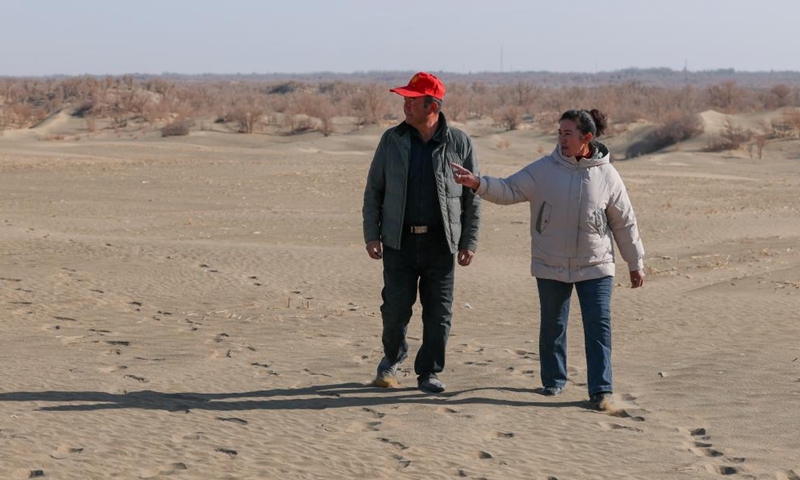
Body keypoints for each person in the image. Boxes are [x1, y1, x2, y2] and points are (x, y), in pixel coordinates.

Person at [450, 109, 644, 410]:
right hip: (550, 262)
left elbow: (624, 222)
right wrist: (478, 183)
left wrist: (635, 263)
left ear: (586, 138)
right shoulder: (544, 169)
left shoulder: (607, 174)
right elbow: (509, 189)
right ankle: (554, 380)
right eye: (559, 133)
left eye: (568, 134)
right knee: (553, 325)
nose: (561, 139)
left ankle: (601, 389)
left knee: (599, 326)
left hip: (596, 265)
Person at [362, 72, 481, 394]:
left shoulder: (459, 143)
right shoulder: (392, 140)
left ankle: (428, 371)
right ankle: (391, 359)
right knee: (395, 310)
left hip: (440, 245)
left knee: (438, 315)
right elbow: (374, 190)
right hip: (398, 242)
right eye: (404, 100)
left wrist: (468, 241)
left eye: (411, 101)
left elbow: (472, 197)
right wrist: (372, 235)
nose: (405, 106)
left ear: (433, 105)